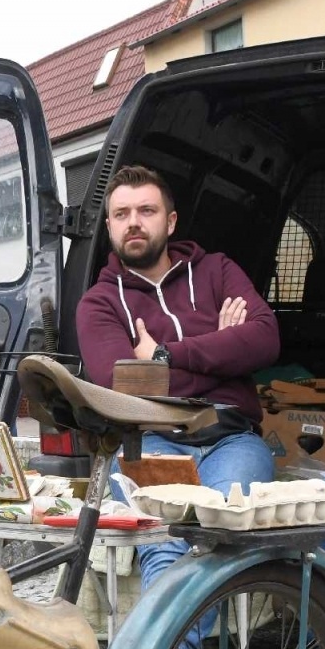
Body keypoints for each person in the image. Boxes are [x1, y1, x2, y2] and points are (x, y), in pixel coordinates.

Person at [75, 164, 281, 591]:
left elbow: (264, 340)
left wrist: (163, 356)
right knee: (165, 545)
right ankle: (175, 641)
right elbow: (120, 387)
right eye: (121, 214)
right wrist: (223, 350)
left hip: (232, 438)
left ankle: (172, 639)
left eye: (146, 210)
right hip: (148, 443)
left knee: (222, 533)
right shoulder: (98, 303)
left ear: (170, 222)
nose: (133, 222)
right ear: (109, 226)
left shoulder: (217, 270)